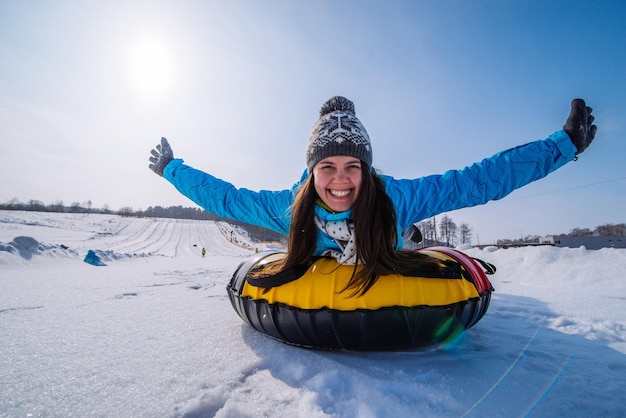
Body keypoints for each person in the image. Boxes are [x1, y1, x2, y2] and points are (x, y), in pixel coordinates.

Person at [149, 96, 596, 294]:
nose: (340, 180)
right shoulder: (289, 208)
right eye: (327, 167)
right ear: (311, 172)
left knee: (408, 239)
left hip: (393, 234)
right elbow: (225, 198)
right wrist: (172, 169)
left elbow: (476, 180)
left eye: (352, 167)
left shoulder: (393, 197)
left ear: (366, 169)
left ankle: (411, 236)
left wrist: (563, 145)